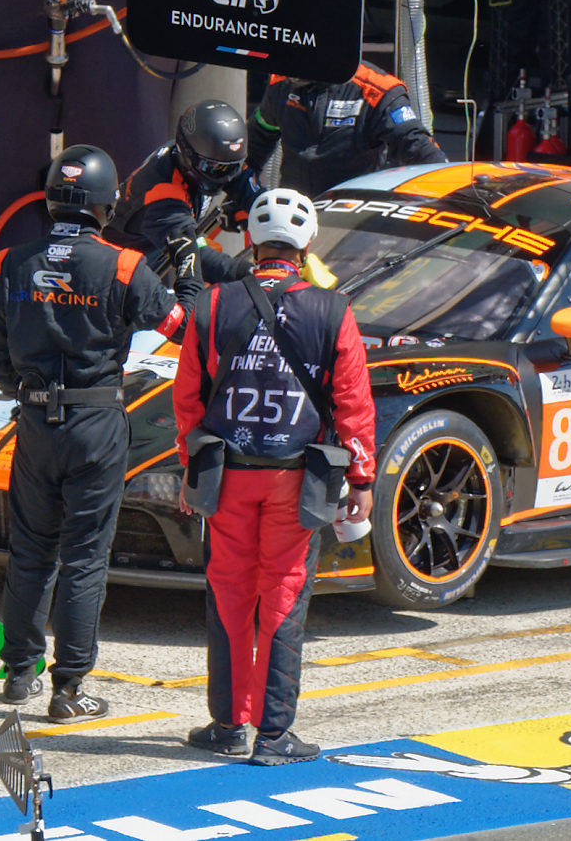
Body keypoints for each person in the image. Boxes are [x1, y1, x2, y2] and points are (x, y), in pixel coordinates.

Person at [0, 144, 200, 723]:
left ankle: (19, 673)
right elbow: (182, 329)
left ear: (53, 197)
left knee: (30, 550)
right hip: (97, 421)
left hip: (34, 422)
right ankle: (69, 689)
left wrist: (25, 393)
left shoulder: (10, 262)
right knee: (84, 557)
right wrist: (192, 274)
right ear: (105, 205)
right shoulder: (123, 265)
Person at [174, 188, 376, 765]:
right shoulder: (332, 311)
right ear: (307, 245)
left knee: (229, 594)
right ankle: (273, 735)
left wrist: (193, 471)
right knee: (282, 595)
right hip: (297, 480)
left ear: (252, 243)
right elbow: (353, 405)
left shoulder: (211, 306)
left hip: (226, 478)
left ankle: (229, 724)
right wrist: (360, 480)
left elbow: (188, 399)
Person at [113, 98, 262, 288]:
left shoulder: (203, 157)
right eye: (215, 168)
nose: (225, 177)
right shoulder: (162, 193)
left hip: (159, 254)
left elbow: (242, 183)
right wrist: (249, 273)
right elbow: (190, 254)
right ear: (188, 154)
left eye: (232, 166)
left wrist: (268, 216)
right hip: (121, 276)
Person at [246, 64, 447, 197]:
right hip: (291, 215)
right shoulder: (280, 83)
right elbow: (255, 141)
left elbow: (419, 147)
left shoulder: (377, 90)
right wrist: (245, 196)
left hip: (350, 219)